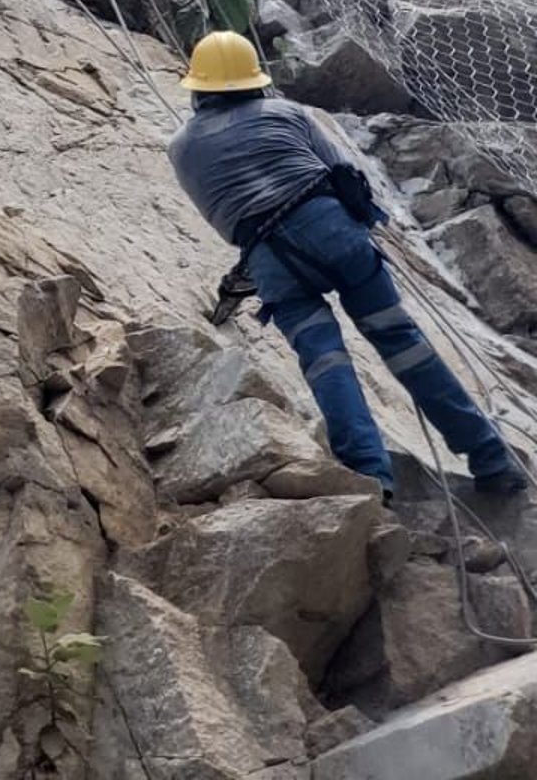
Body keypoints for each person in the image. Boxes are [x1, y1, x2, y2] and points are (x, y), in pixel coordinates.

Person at [169, 30, 524, 501]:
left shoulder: (181, 148)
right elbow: (347, 178)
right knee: (403, 343)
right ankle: (491, 459)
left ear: (198, 88)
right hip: (335, 233)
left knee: (325, 360)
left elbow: (223, 218)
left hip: (272, 260)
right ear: (254, 80)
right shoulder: (287, 113)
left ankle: (371, 477)